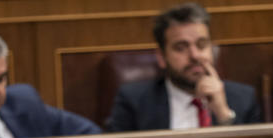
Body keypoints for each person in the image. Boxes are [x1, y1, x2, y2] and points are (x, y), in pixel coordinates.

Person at [107, 3, 261, 131]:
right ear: (161, 57)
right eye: (181, 47)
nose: (195, 55)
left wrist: (224, 115)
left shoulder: (244, 99)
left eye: (201, 45)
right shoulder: (134, 102)